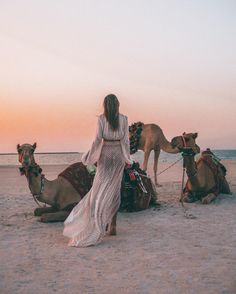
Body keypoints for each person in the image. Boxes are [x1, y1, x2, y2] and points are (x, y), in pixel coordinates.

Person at [63, 94, 132, 247]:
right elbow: (126, 141)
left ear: (105, 105)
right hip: (118, 156)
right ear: (118, 105)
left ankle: (101, 222)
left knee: (99, 190)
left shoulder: (101, 119)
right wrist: (128, 159)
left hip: (106, 155)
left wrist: (88, 156)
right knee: (114, 190)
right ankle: (113, 225)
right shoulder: (124, 119)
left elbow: (96, 140)